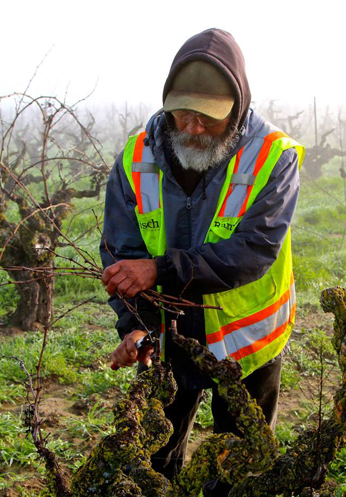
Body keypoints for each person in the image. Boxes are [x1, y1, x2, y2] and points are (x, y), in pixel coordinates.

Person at [100, 28, 305, 489]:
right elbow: (123, 252)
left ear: (238, 107)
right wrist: (137, 324)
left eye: (208, 118)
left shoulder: (274, 157)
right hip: (170, 340)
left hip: (248, 347)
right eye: (183, 114)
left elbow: (252, 251)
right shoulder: (135, 158)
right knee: (155, 462)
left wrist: (161, 269)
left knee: (237, 465)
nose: (192, 128)